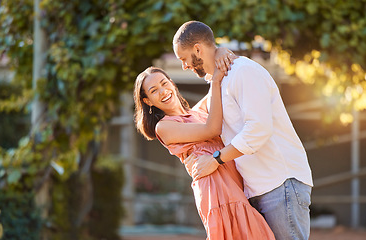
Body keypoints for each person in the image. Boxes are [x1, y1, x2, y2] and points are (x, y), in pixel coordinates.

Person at [173, 21, 313, 240]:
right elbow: (197, 118)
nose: (184, 66)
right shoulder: (218, 83)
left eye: (184, 59)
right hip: (258, 188)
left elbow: (258, 129)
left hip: (281, 184)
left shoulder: (243, 71)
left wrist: (216, 159)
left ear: (198, 49)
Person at [133, 50, 275, 239]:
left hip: (234, 183)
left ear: (172, 84)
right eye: (154, 91)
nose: (163, 91)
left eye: (164, 83)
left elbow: (215, 94)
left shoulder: (197, 112)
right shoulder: (164, 127)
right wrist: (215, 80)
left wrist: (221, 51)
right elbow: (212, 129)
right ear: (147, 101)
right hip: (215, 188)